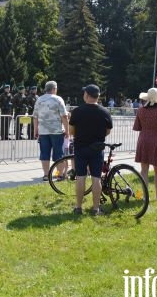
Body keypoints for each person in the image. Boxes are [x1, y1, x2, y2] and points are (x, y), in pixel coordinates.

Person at [69, 84, 112, 215]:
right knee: (96, 178)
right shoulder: (105, 111)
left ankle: (78, 207)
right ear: (98, 97)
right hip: (97, 148)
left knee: (80, 177)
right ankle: (95, 208)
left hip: (81, 147)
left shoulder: (77, 111)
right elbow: (108, 131)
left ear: (86, 95)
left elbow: (71, 131)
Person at [133, 88, 157, 200]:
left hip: (143, 141)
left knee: (144, 170)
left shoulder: (141, 110)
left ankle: (144, 196)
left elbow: (137, 127)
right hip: (156, 142)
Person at [32, 80, 69, 182]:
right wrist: (67, 131)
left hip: (43, 131)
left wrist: (36, 130)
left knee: (44, 153)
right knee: (59, 154)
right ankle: (59, 175)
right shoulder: (58, 99)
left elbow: (35, 116)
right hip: (56, 131)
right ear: (54, 89)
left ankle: (46, 175)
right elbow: (64, 116)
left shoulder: (39, 99)